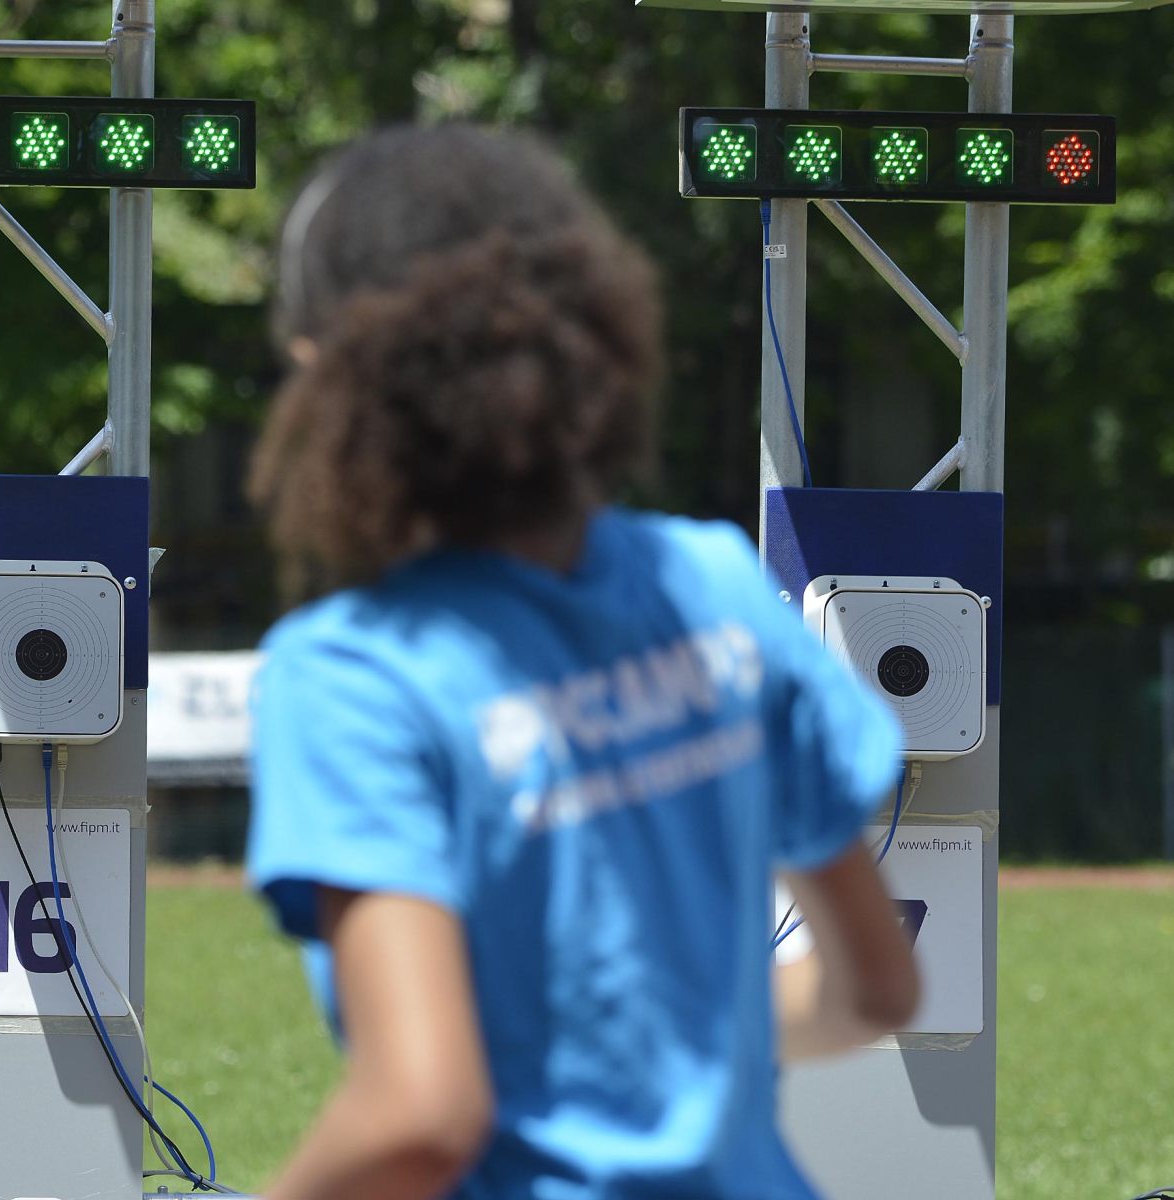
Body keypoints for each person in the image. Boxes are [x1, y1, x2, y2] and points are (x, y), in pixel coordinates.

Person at [244, 124, 920, 1200]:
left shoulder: (356, 675)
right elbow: (875, 991)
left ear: (332, 374)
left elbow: (418, 1117)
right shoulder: (712, 582)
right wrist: (670, 1053)